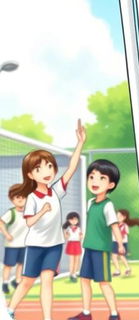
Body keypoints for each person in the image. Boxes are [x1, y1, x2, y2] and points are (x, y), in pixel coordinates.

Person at [6, 120, 86, 320]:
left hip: (55, 245)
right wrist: (42, 212)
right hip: (35, 246)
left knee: (48, 280)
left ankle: (48, 317)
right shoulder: (32, 197)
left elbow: (71, 169)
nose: (47, 171)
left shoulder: (56, 191)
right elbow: (29, 222)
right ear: (31, 174)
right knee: (26, 281)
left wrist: (80, 143)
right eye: (40, 168)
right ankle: (10, 310)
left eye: (49, 166)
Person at [67, 159, 126, 320]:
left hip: (102, 250)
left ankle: (114, 314)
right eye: (92, 177)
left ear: (111, 185)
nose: (95, 181)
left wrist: (120, 245)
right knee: (84, 280)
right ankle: (86, 313)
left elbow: (114, 227)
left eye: (102, 178)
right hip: (89, 247)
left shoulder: (108, 205)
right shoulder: (90, 203)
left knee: (104, 282)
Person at [0, 185, 27, 295]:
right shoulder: (11, 213)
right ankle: (5, 283)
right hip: (12, 245)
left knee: (21, 264)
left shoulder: (29, 213)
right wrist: (6, 234)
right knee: (9, 265)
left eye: (23, 197)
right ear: (12, 199)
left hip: (24, 244)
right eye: (17, 197)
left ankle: (17, 281)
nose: (20, 199)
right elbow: (1, 222)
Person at [111, 209, 139, 277]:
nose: (118, 217)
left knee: (121, 256)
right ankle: (118, 270)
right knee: (114, 256)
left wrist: (120, 244)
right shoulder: (115, 225)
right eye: (117, 216)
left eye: (120, 216)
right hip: (115, 242)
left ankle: (128, 268)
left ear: (124, 217)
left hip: (122, 243)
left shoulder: (124, 226)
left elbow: (124, 234)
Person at [63, 212, 83, 282]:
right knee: (72, 261)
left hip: (77, 244)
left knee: (77, 260)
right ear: (68, 220)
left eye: (75, 219)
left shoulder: (79, 228)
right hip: (71, 244)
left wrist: (81, 237)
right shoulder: (68, 228)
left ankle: (74, 273)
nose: (74, 221)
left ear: (78, 220)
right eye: (71, 219)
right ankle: (71, 274)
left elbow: (81, 237)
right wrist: (65, 233)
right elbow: (66, 237)